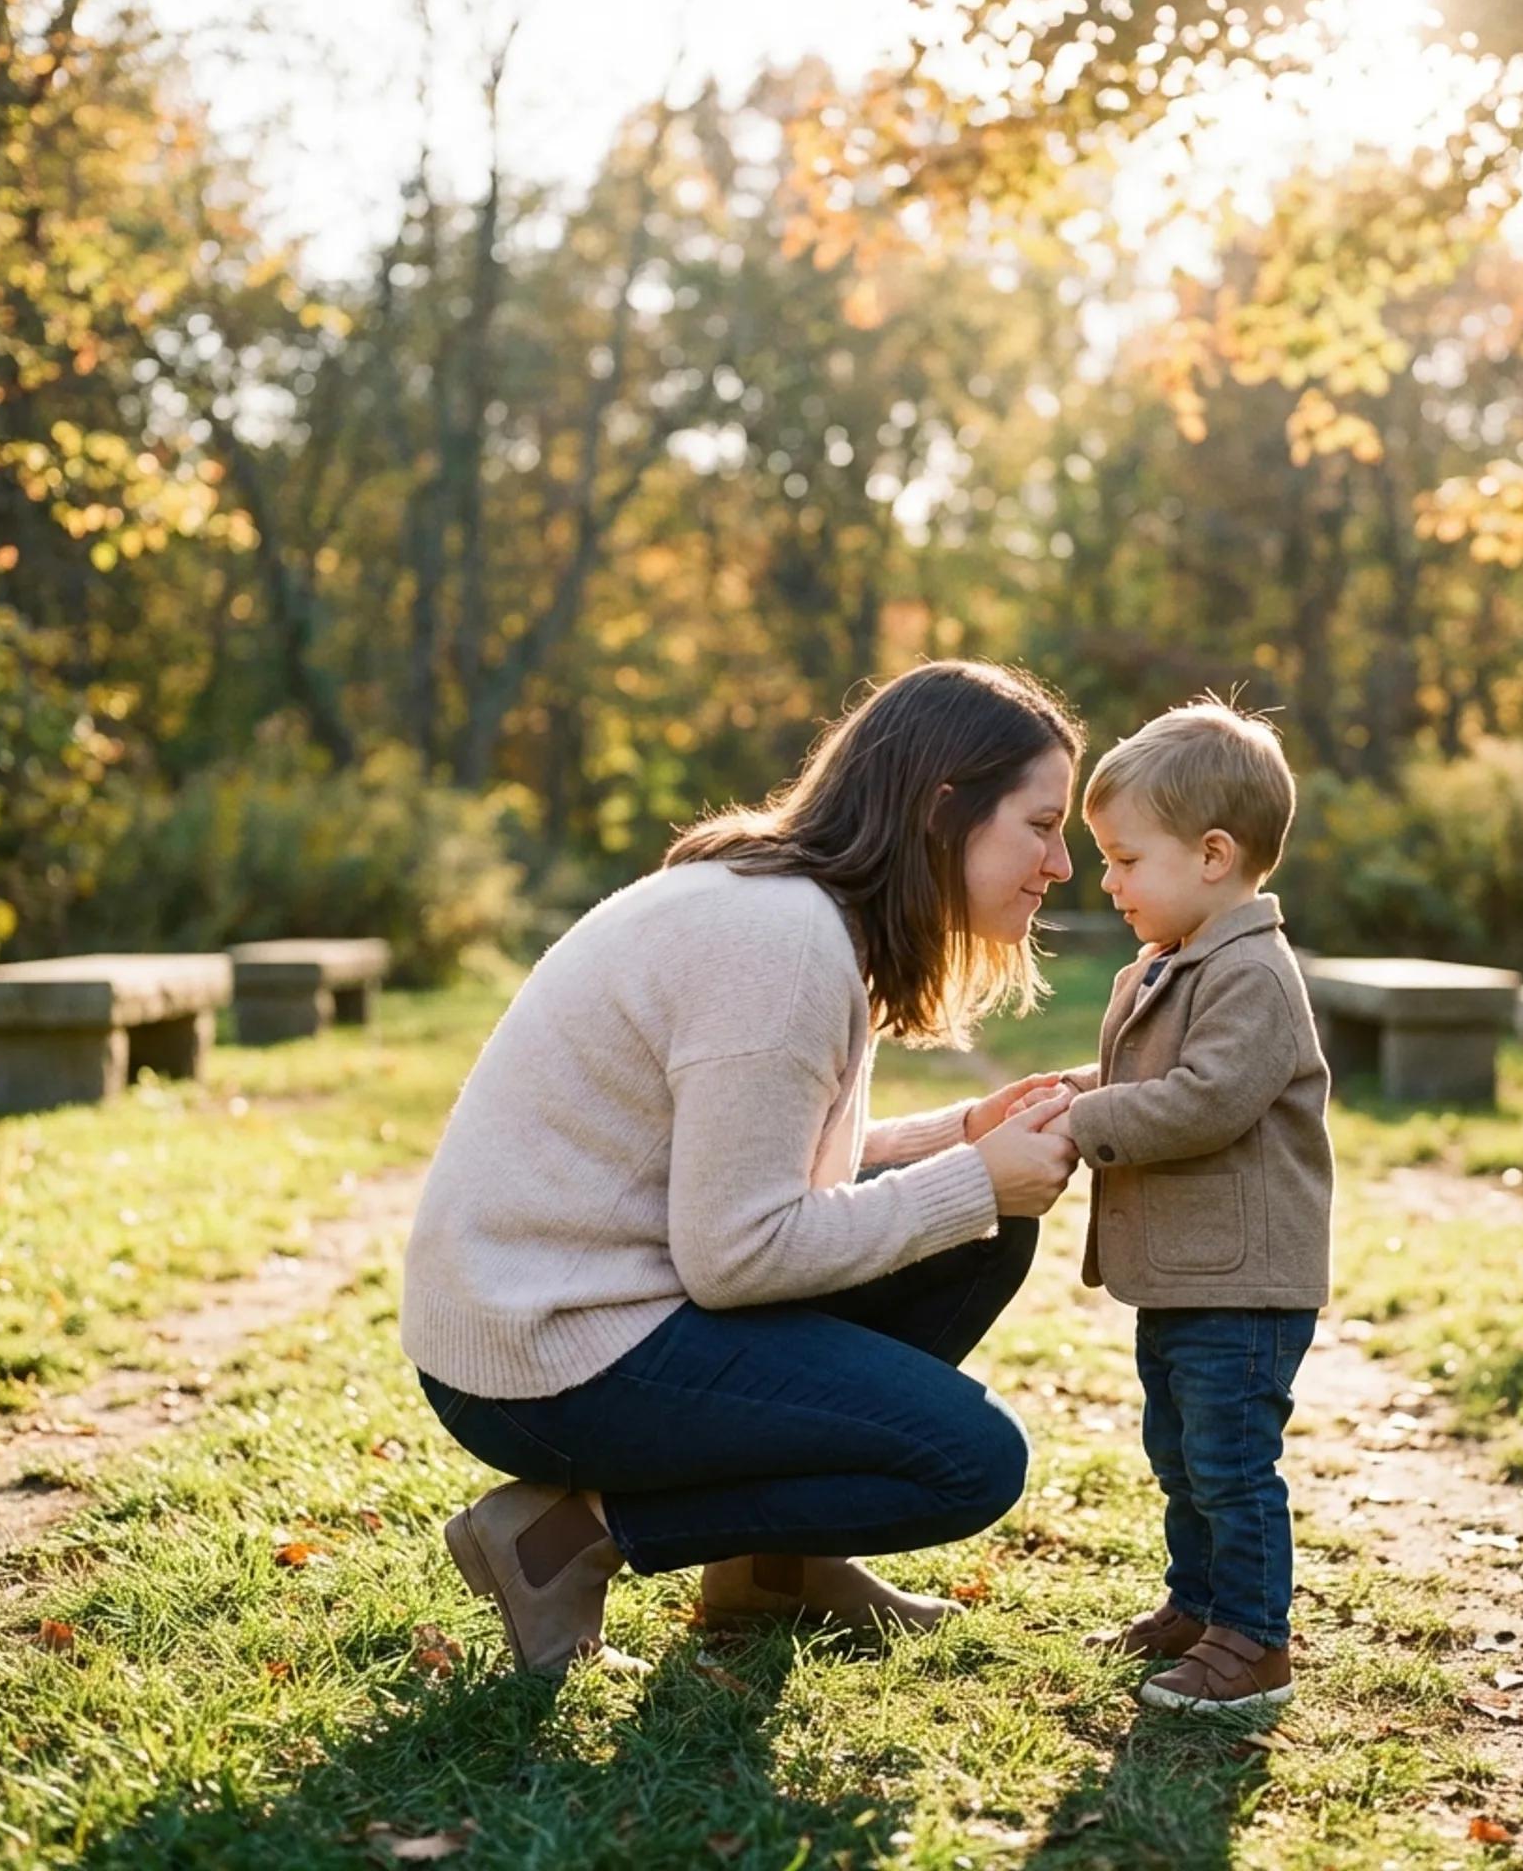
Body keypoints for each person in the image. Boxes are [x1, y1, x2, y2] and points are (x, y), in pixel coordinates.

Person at [400, 662, 1084, 1673]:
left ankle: (777, 1570)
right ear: (945, 811)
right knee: (968, 1462)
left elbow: (757, 1161)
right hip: (544, 1354)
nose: (1060, 864)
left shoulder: (795, 917)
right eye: (1041, 823)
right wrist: (975, 1180)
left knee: (980, 1238)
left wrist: (964, 1137)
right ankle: (565, 1540)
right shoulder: (780, 945)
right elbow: (737, 1250)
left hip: (594, 1304)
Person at [1050, 698, 1333, 1715]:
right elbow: (1143, 1079)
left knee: (1228, 1461)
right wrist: (1074, 1096)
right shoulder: (1176, 961)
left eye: (1126, 860)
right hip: (1184, 1272)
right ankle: (1199, 1603)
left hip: (1244, 1283)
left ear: (1213, 855)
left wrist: (1091, 1123)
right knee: (1177, 1453)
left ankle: (1254, 1642)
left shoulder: (1252, 972)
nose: (1108, 881)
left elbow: (1207, 1101)